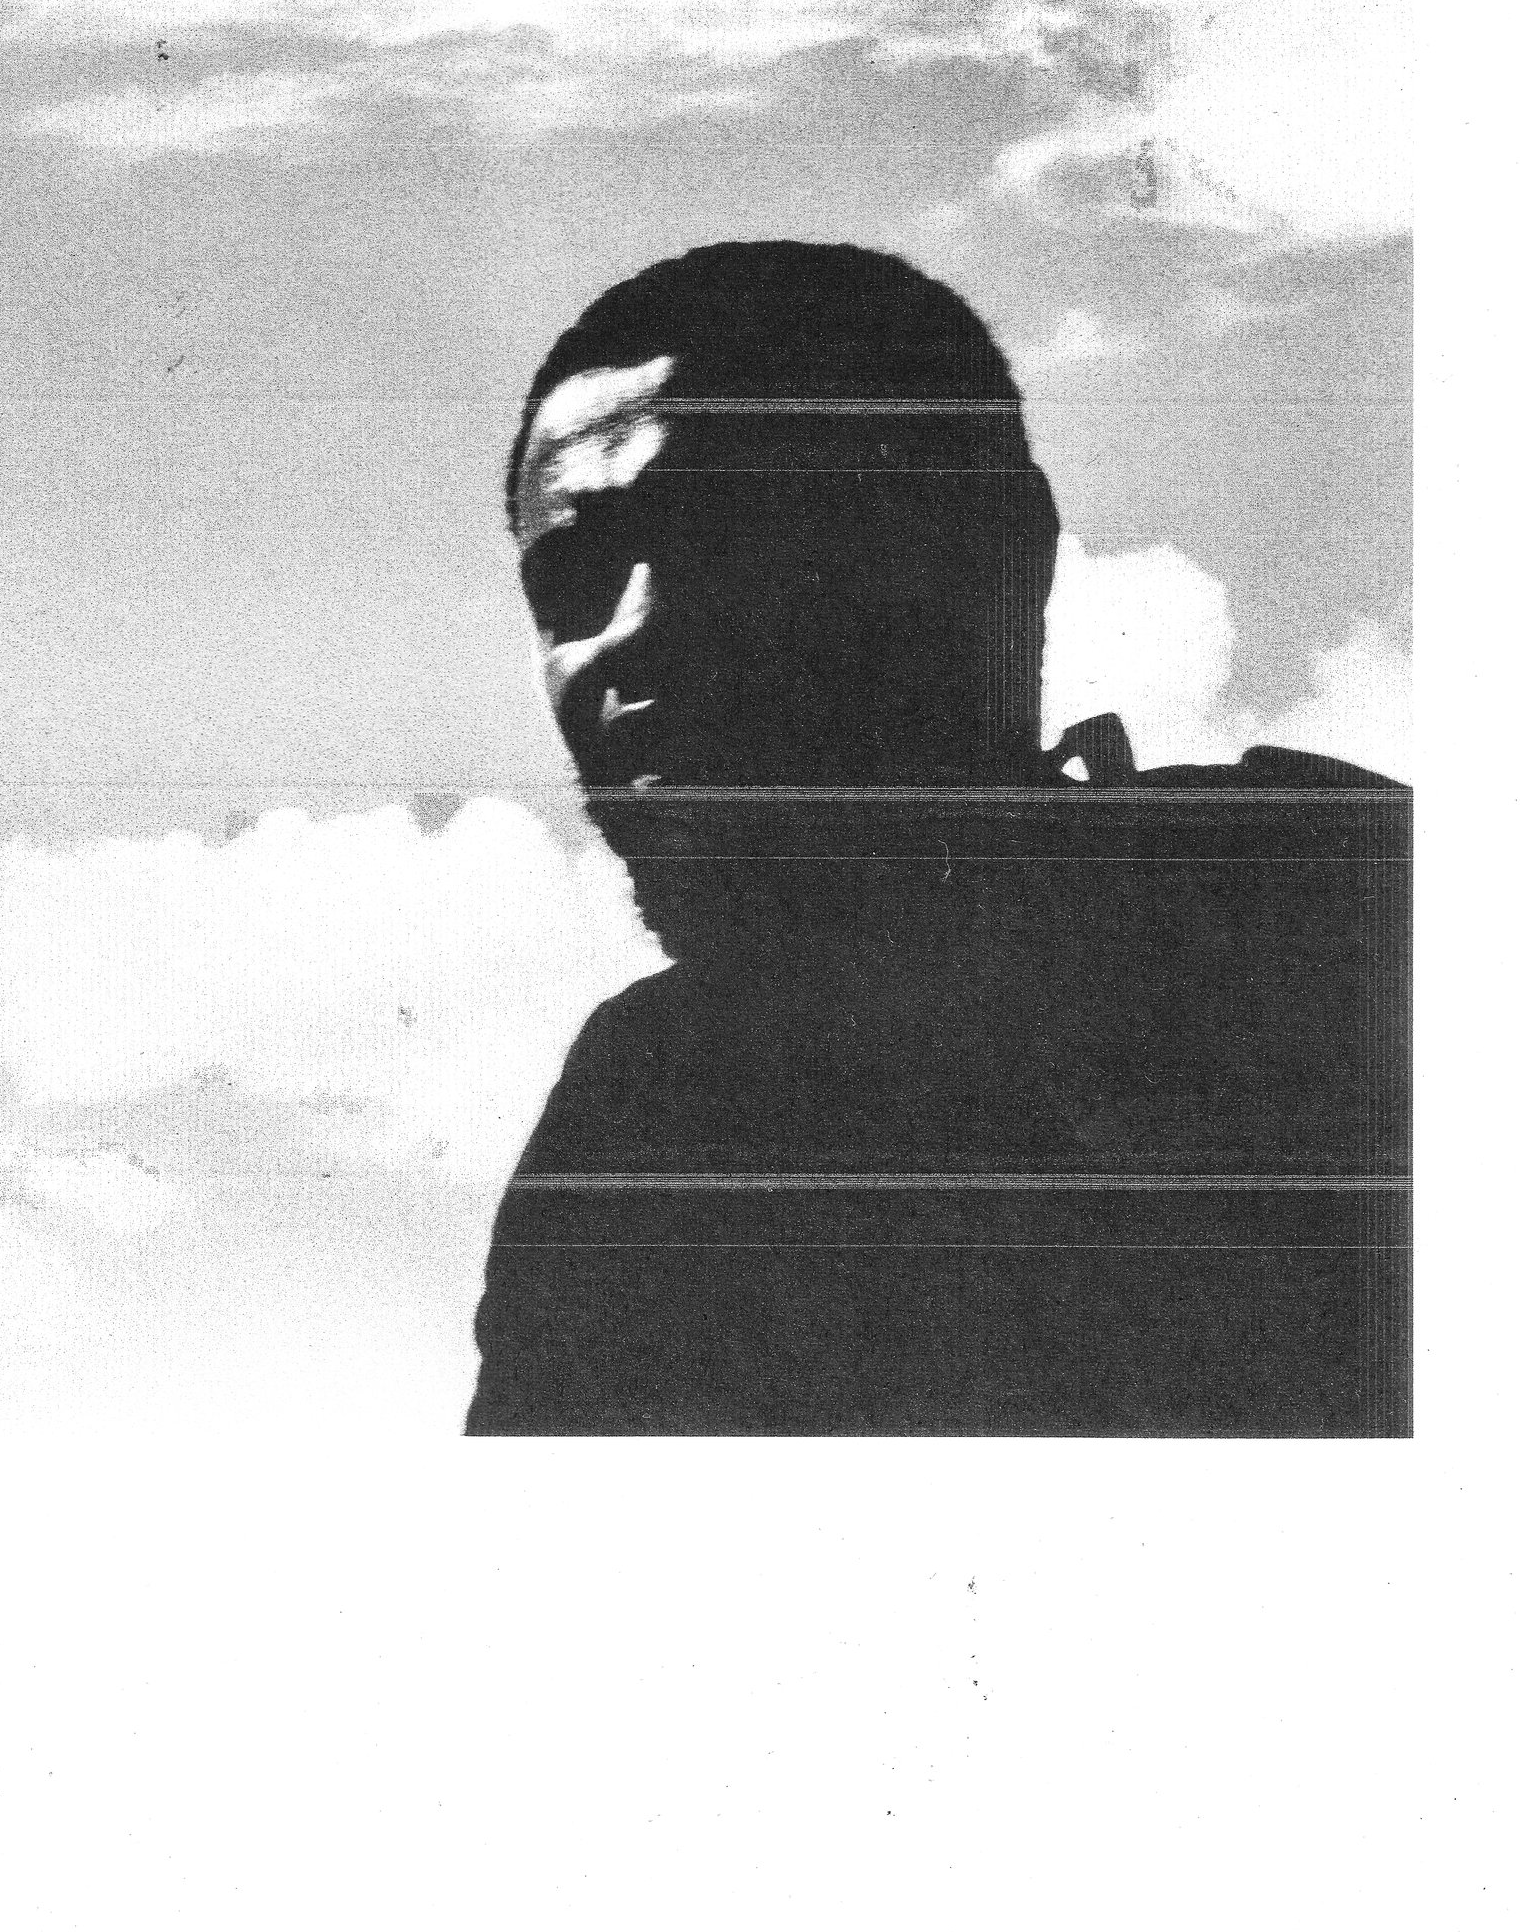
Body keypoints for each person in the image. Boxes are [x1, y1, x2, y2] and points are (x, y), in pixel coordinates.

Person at [466, 243, 1410, 1437]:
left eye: (732, 535)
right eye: (571, 583)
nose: (634, 630)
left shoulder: (1350, 916)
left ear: (999, 554)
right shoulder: (636, 1119)